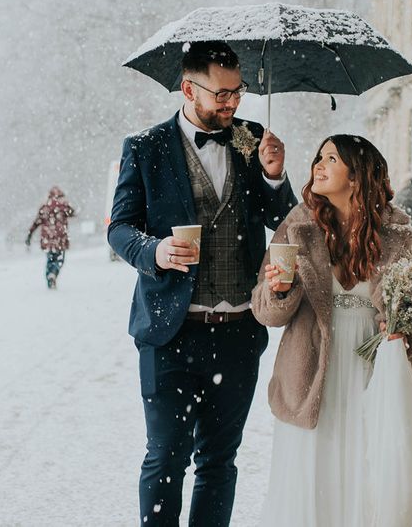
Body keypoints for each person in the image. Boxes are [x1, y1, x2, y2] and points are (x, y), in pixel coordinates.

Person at [108, 40, 296, 526]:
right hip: (171, 332)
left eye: (239, 92)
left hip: (238, 330)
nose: (232, 103)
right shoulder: (145, 147)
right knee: (166, 458)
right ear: (188, 88)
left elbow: (285, 221)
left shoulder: (251, 139)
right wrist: (155, 251)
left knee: (218, 462)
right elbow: (120, 228)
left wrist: (275, 177)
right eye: (222, 93)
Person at [252, 135, 412, 527]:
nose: (318, 164)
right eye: (318, 156)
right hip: (310, 370)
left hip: (372, 369)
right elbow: (265, 311)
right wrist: (279, 290)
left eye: (331, 158)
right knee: (314, 474)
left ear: (357, 176)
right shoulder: (298, 226)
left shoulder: (400, 235)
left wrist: (402, 331)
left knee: (370, 471)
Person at [26, 186, 75, 289]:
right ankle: (54, 273)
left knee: (50, 259)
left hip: (48, 238)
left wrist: (29, 235)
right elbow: (73, 213)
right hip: (61, 238)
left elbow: (36, 222)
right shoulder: (64, 205)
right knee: (60, 259)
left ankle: (50, 276)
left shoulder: (45, 207)